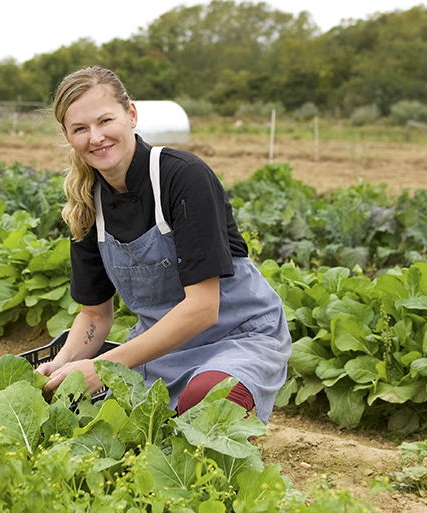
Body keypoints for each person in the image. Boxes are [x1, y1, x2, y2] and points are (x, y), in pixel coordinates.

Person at [37, 66, 292, 423]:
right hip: (157, 351)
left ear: (131, 115)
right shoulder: (86, 205)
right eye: (80, 128)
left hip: (239, 339)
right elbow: (95, 315)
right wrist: (63, 365)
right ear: (68, 135)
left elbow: (204, 308)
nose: (95, 137)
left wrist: (103, 366)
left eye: (105, 120)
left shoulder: (182, 177)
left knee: (207, 403)